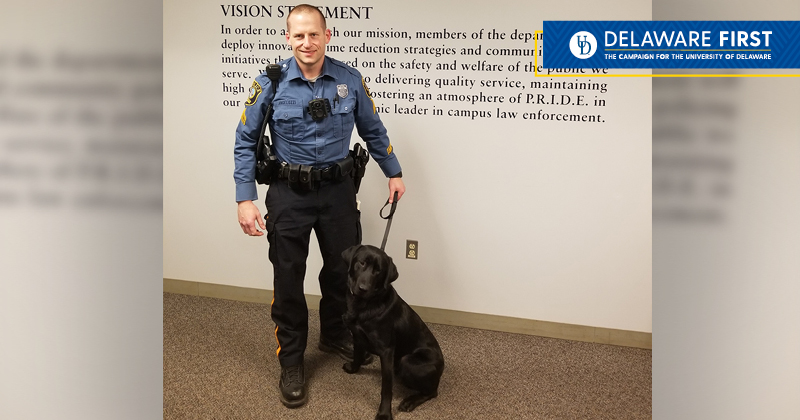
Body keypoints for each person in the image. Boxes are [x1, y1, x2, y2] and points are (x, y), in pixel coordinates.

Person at [233, 4, 405, 408]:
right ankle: (291, 360)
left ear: (327, 35)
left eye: (314, 35)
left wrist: (393, 172)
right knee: (288, 280)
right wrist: (245, 198)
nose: (306, 43)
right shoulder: (269, 84)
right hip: (288, 194)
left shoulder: (349, 80)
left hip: (338, 193)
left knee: (341, 271)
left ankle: (335, 333)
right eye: (298, 35)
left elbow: (373, 130)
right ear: (287, 38)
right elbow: (245, 140)